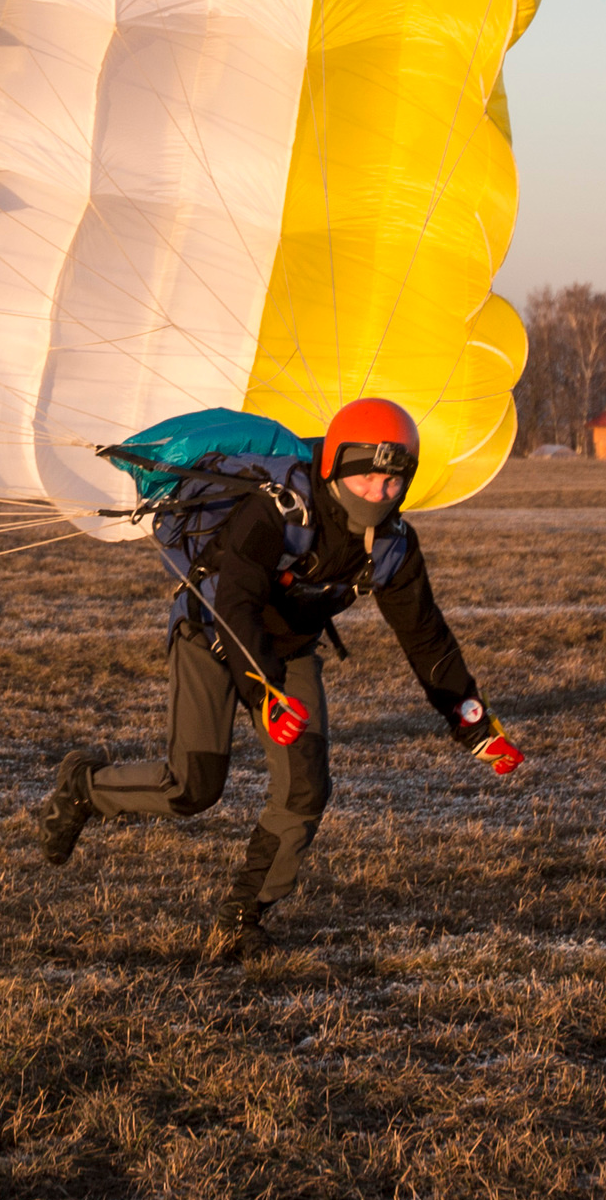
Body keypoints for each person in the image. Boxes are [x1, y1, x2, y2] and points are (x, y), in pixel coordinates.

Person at [37, 398, 525, 960]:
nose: (378, 492)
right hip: (212, 633)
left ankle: (242, 919)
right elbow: (236, 602)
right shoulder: (279, 508)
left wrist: (473, 724)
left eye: (393, 481)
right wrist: (263, 690)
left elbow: (426, 638)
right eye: (365, 475)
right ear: (335, 467)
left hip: (290, 650)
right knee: (193, 787)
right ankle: (85, 787)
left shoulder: (392, 546)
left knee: (304, 790)